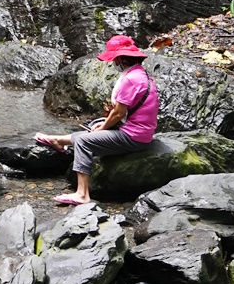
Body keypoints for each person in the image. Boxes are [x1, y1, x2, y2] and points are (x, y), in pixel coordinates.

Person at [36, 34, 159, 205]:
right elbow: (121, 113)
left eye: (114, 59)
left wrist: (103, 128)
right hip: (141, 132)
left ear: (121, 59)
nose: (112, 63)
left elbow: (118, 113)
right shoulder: (141, 75)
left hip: (133, 137)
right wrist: (103, 125)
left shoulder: (130, 80)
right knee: (95, 127)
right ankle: (59, 141)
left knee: (84, 142)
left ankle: (82, 194)